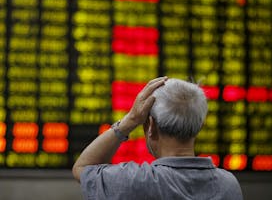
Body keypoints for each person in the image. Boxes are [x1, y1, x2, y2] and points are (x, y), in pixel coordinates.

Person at [72, 77, 243, 200]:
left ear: (151, 127)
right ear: (199, 126)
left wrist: (130, 120)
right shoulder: (228, 185)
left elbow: (83, 167)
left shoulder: (131, 181)